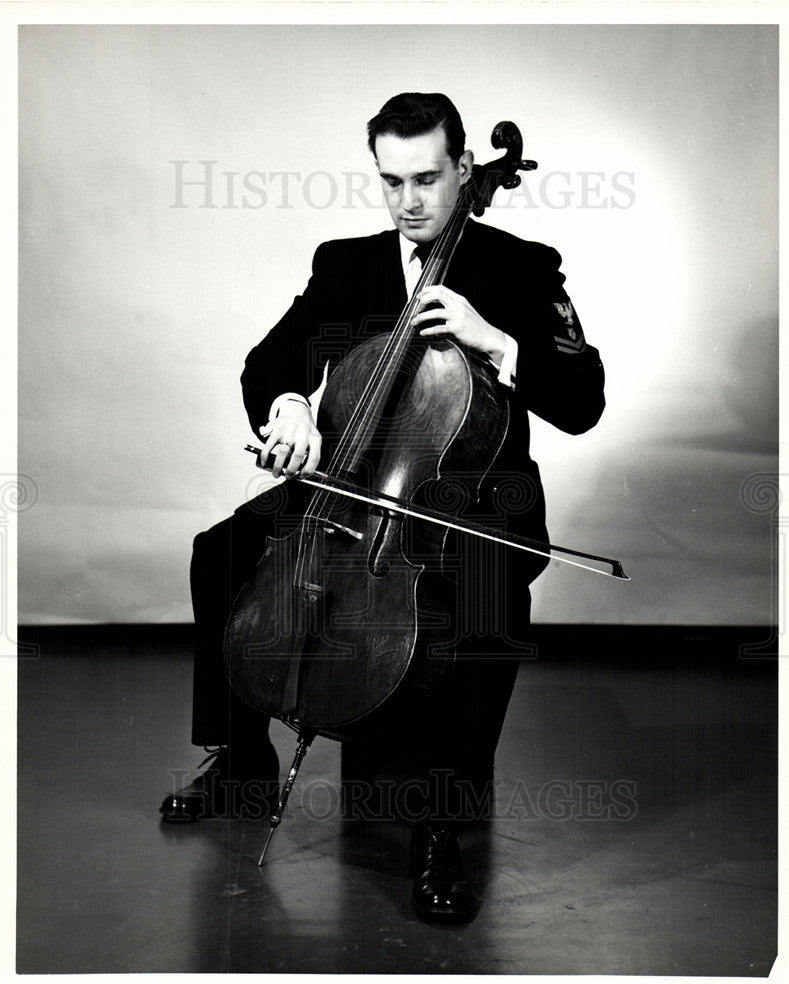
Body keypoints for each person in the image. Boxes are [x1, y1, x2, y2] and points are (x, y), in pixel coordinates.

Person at [161, 93, 605, 923]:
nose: (409, 202)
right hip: (357, 486)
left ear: (466, 170)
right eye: (391, 180)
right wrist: (291, 405)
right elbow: (270, 360)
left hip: (474, 503)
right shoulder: (347, 265)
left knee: (481, 606)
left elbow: (583, 401)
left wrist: (493, 340)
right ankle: (240, 758)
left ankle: (441, 822)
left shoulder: (521, 268)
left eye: (428, 178)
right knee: (220, 550)